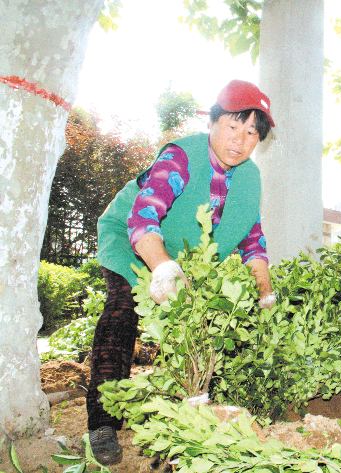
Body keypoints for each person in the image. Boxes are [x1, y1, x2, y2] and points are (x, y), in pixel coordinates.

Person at [86, 79, 277, 464]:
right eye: (233, 126)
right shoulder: (181, 157)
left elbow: (252, 239)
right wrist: (162, 267)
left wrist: (265, 293)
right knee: (125, 308)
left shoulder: (249, 178)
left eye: (252, 132)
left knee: (200, 325)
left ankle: (188, 410)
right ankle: (102, 421)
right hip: (134, 241)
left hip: (185, 258)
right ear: (213, 122)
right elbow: (143, 217)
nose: (240, 140)